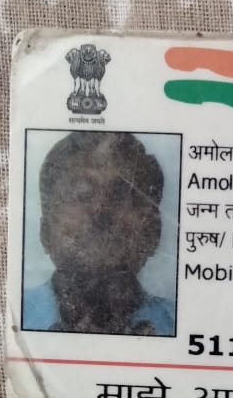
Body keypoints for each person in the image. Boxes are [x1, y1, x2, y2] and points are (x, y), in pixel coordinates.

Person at [22, 131, 176, 335]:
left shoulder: (182, 324)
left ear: (153, 233)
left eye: (121, 194)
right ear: (46, 232)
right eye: (81, 194)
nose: (100, 209)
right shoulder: (11, 314)